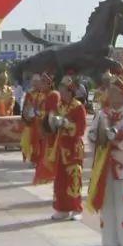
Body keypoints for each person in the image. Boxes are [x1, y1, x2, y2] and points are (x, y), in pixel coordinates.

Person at [86, 74, 123, 246]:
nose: (110, 94)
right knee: (107, 204)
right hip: (105, 165)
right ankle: (109, 242)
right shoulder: (103, 113)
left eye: (115, 91)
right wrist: (94, 136)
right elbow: (92, 134)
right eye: (110, 91)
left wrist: (115, 136)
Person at [50, 75, 87, 221]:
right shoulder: (60, 106)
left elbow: (81, 129)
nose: (61, 92)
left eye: (63, 90)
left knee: (74, 179)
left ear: (70, 91)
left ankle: (76, 208)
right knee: (60, 180)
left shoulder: (78, 107)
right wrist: (52, 121)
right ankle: (62, 208)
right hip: (61, 147)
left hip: (73, 148)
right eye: (60, 89)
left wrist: (66, 124)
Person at [33, 72, 60, 184]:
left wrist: (40, 115)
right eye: (41, 82)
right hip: (41, 126)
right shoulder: (40, 95)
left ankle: (49, 173)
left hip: (50, 129)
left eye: (43, 82)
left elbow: (52, 113)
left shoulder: (53, 95)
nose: (41, 85)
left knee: (49, 150)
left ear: (49, 84)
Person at [20, 73, 45, 166]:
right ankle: (34, 159)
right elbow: (26, 106)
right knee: (32, 141)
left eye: (36, 82)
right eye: (33, 82)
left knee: (42, 142)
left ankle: (41, 160)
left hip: (42, 121)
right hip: (32, 122)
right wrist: (28, 115)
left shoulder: (45, 93)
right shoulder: (29, 93)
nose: (34, 84)